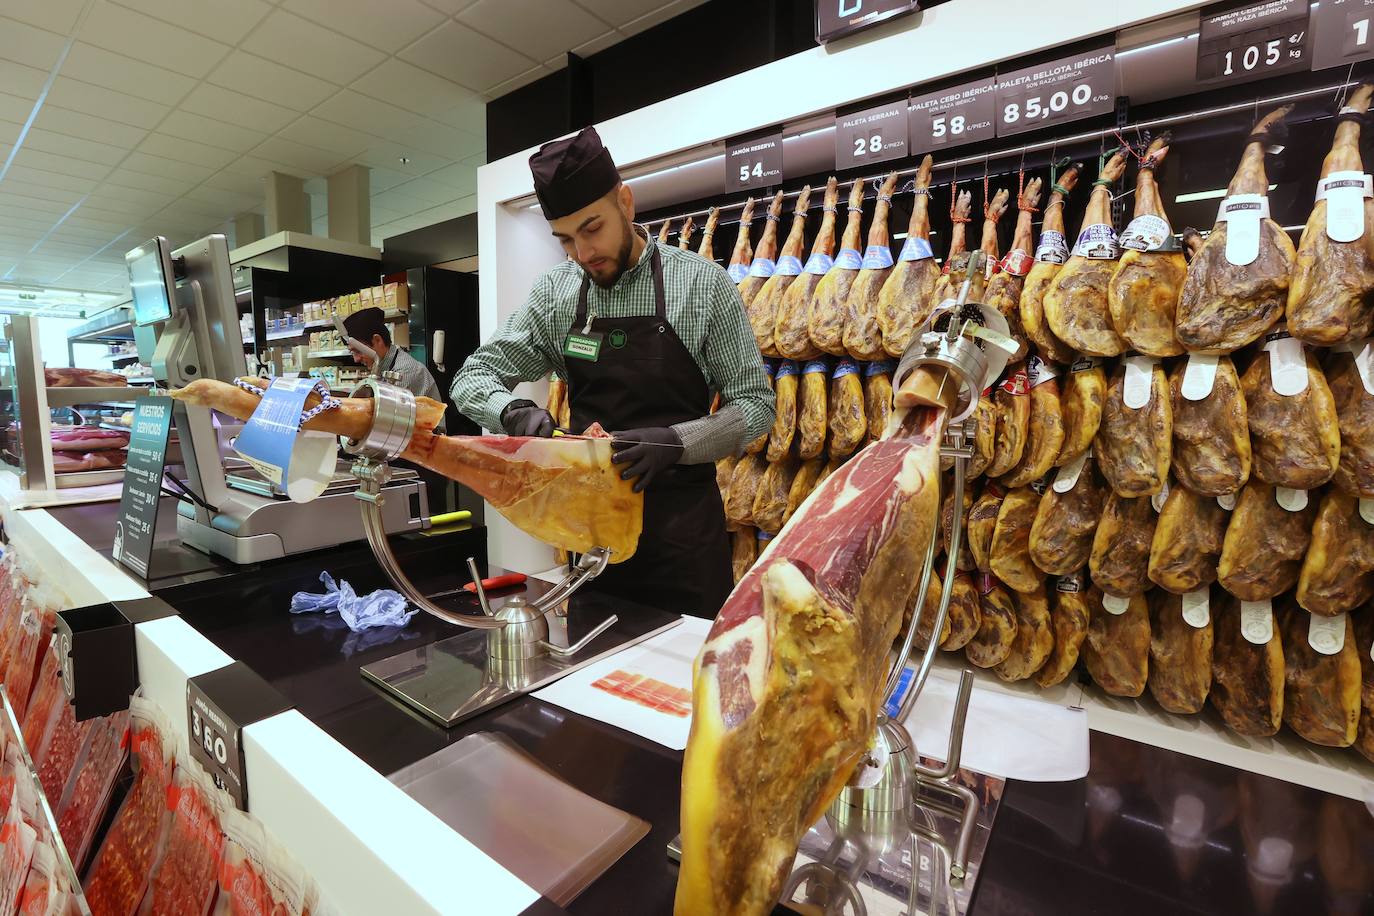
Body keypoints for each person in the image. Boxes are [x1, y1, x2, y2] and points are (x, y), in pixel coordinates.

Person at [451, 126, 774, 619]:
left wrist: (675, 442)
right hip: (593, 543)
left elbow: (755, 406)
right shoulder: (557, 295)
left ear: (626, 202)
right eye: (564, 239)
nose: (582, 254)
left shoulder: (703, 285)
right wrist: (512, 411)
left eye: (592, 228)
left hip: (684, 543)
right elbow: (470, 378)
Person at [342, 307, 446, 433]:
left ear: (377, 340)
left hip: (424, 445)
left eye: (358, 351)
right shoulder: (383, 366)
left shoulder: (405, 372)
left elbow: (386, 424)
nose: (356, 359)